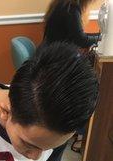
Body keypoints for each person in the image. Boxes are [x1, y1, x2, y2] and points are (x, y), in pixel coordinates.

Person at [43, 0, 101, 152]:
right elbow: (80, 39)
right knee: (86, 89)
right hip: (57, 61)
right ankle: (79, 136)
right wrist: (100, 37)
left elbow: (78, 37)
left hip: (52, 55)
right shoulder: (70, 9)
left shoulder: (61, 5)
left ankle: (78, 132)